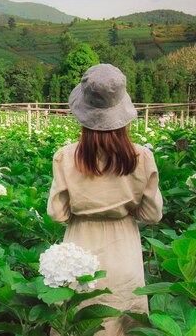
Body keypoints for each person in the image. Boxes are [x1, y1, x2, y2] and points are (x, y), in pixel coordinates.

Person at [47, 64, 163, 336]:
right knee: (123, 319)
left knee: (80, 321)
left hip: (79, 250)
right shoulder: (141, 157)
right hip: (124, 249)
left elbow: (58, 214)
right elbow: (151, 214)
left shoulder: (66, 156)